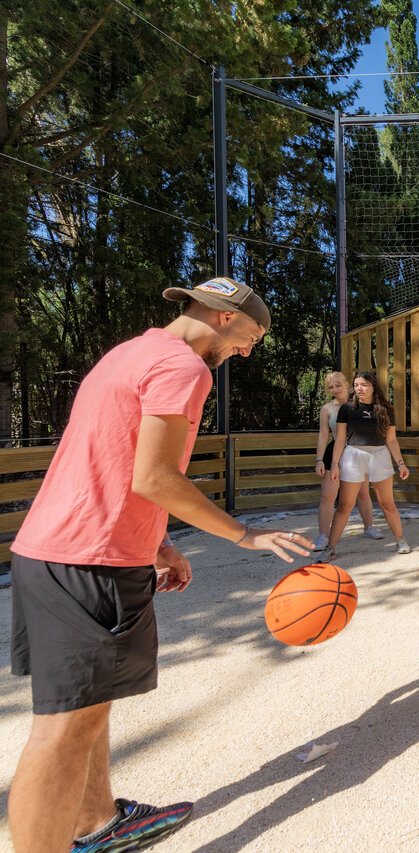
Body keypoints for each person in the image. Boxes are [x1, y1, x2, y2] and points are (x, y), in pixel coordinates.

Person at [7, 277, 313, 853]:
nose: (248, 351)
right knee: (62, 734)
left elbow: (111, 461)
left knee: (85, 716)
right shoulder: (185, 368)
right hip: (89, 563)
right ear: (224, 317)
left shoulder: (129, 353)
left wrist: (157, 545)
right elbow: (154, 476)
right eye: (251, 336)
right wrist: (243, 533)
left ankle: (99, 822)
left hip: (54, 549)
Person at [325, 371, 412, 560]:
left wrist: (401, 464)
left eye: (363, 384)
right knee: (345, 506)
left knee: (387, 504)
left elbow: (392, 440)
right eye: (356, 385)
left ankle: (400, 540)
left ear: (373, 386)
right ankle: (330, 547)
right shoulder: (347, 409)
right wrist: (334, 464)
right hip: (352, 456)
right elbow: (340, 439)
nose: (359, 388)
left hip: (379, 456)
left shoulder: (385, 409)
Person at [313, 371, 380, 552]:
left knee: (363, 492)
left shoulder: (359, 405)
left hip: (357, 452)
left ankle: (369, 527)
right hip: (334, 452)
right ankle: (322, 536)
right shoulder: (327, 409)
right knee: (328, 496)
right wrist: (319, 459)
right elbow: (323, 436)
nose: (334, 390)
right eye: (331, 387)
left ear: (346, 385)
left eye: (338, 386)